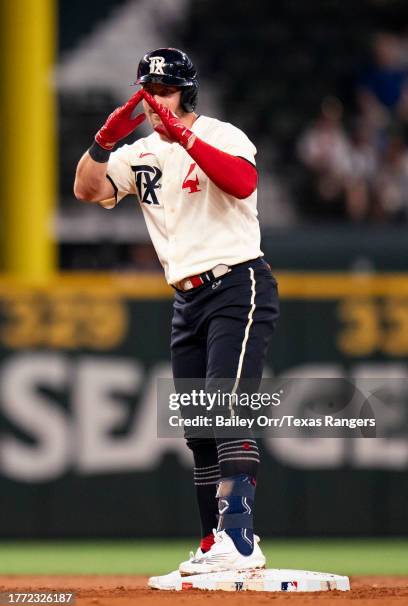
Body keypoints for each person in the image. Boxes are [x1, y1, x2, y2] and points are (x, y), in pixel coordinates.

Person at [74, 47, 279, 576]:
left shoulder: (221, 133)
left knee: (224, 408)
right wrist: (103, 140)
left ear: (186, 93)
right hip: (186, 296)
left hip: (237, 282)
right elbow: (86, 188)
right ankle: (214, 544)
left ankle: (241, 541)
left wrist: (184, 134)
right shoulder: (139, 153)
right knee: (196, 428)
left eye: (165, 91)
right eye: (149, 93)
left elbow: (242, 182)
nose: (157, 101)